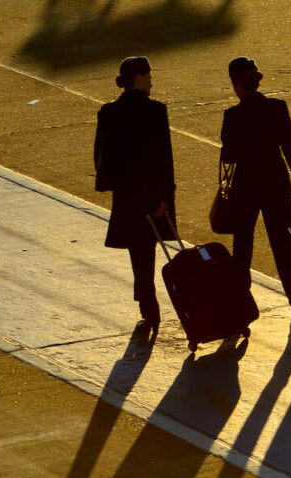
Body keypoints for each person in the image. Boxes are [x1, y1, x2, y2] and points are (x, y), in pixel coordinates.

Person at [220, 56, 291, 325]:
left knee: (242, 249)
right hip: (276, 185)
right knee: (283, 247)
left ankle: (241, 309)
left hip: (245, 190)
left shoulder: (232, 116)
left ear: (237, 86)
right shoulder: (276, 108)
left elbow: (228, 157)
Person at [94, 56, 176, 332]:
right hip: (152, 195)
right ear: (139, 78)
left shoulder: (108, 112)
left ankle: (148, 310)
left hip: (127, 197)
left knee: (138, 257)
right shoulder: (156, 111)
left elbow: (102, 156)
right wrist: (166, 195)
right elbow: (165, 158)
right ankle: (151, 308)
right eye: (149, 77)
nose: (152, 82)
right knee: (148, 252)